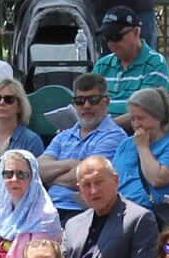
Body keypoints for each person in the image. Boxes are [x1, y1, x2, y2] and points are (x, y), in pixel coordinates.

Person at [40, 71, 130, 216]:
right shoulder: (64, 135)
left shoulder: (115, 135)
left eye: (93, 100)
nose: (86, 106)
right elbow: (38, 168)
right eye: (80, 100)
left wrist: (50, 179)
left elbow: (89, 177)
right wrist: (71, 164)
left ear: (106, 102)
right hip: (48, 209)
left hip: (83, 212)